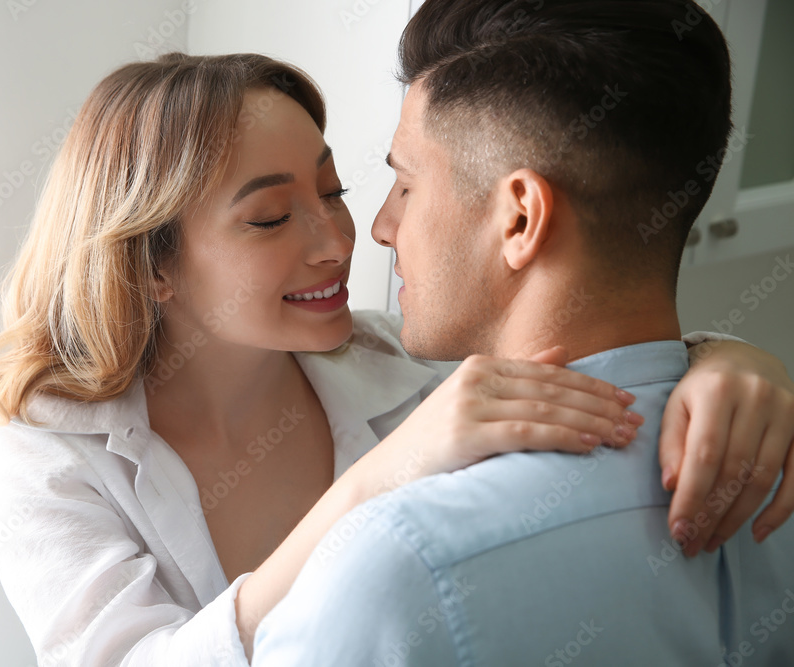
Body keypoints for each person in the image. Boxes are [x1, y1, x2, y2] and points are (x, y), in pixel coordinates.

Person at [0, 51, 794, 666]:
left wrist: (728, 359)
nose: (341, 239)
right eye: (270, 217)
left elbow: (596, 350)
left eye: (334, 190)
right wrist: (370, 485)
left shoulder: (386, 354)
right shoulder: (46, 441)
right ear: (152, 268)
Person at [250, 1, 794, 665]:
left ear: (519, 220)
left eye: (405, 184)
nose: (382, 228)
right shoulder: (776, 465)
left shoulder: (392, 571)